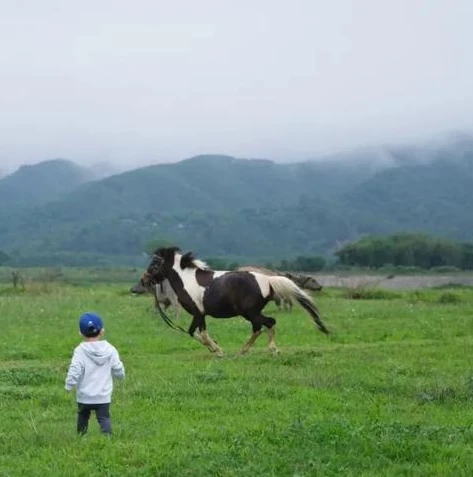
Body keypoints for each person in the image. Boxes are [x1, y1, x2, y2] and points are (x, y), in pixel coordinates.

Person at [65, 312, 125, 436]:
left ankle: (81, 437)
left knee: (83, 416)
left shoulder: (80, 350)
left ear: (80, 333)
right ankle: (107, 437)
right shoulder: (110, 349)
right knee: (104, 417)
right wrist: (120, 375)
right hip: (103, 395)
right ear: (102, 331)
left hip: (84, 395)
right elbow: (117, 366)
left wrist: (69, 384)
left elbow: (75, 369)